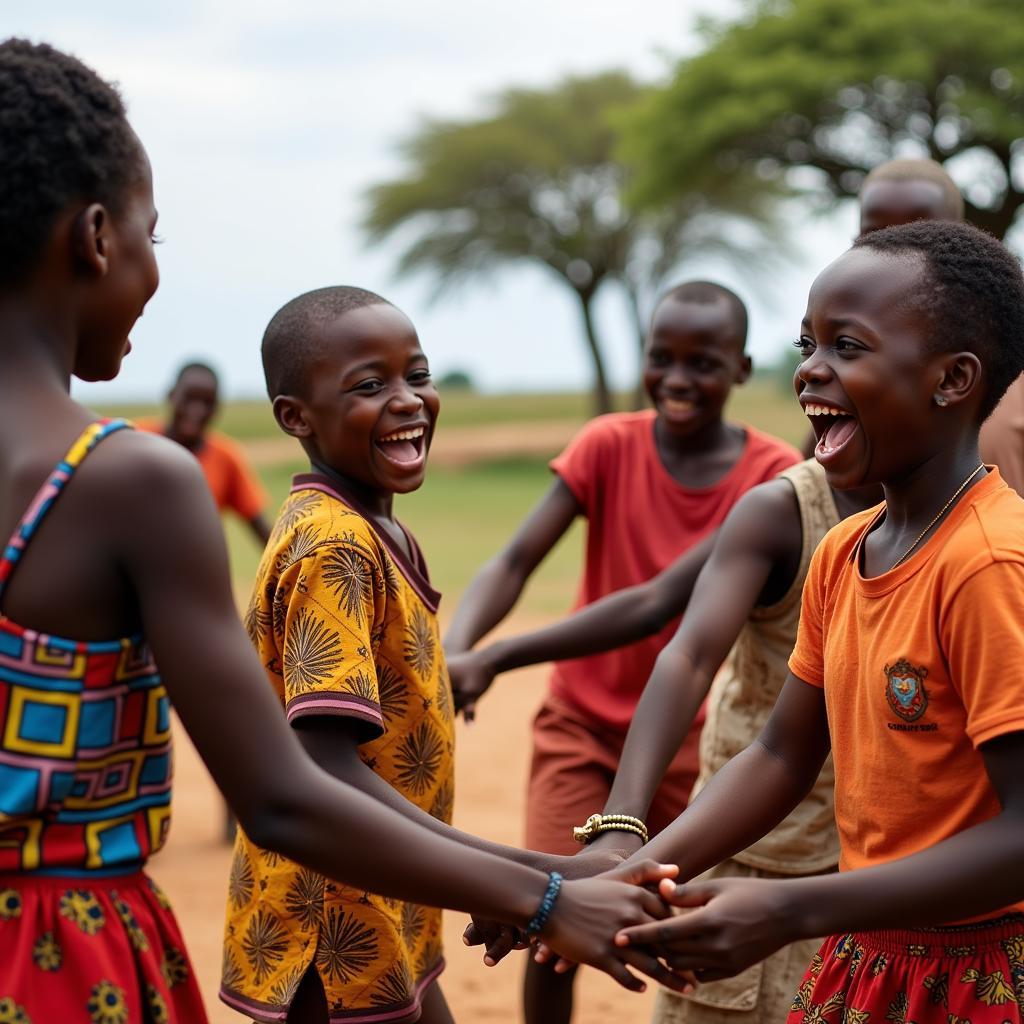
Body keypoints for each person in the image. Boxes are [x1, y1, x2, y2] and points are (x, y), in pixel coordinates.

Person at [0, 37, 690, 1024]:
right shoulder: (125, 478)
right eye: (156, 233)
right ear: (97, 234)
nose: (155, 265)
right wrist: (543, 894)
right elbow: (287, 792)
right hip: (58, 953)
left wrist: (541, 872)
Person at [609, 220, 1024, 1024]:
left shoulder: (988, 564)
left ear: (952, 380)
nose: (810, 372)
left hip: (983, 974)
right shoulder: (842, 551)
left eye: (848, 347)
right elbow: (779, 753)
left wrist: (792, 909)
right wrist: (620, 884)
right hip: (873, 957)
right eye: (807, 344)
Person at [445, 281, 801, 1023]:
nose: (676, 378)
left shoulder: (770, 476)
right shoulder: (608, 443)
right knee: (549, 920)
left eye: (702, 362)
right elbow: (513, 561)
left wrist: (496, 658)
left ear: (740, 368)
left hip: (694, 743)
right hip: (582, 725)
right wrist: (455, 649)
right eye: (660, 357)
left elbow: (656, 604)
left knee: (690, 920)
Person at [138, 361, 273, 545]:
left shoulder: (225, 458)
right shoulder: (135, 441)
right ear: (171, 396)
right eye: (189, 399)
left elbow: (262, 530)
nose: (198, 410)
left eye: (207, 402)